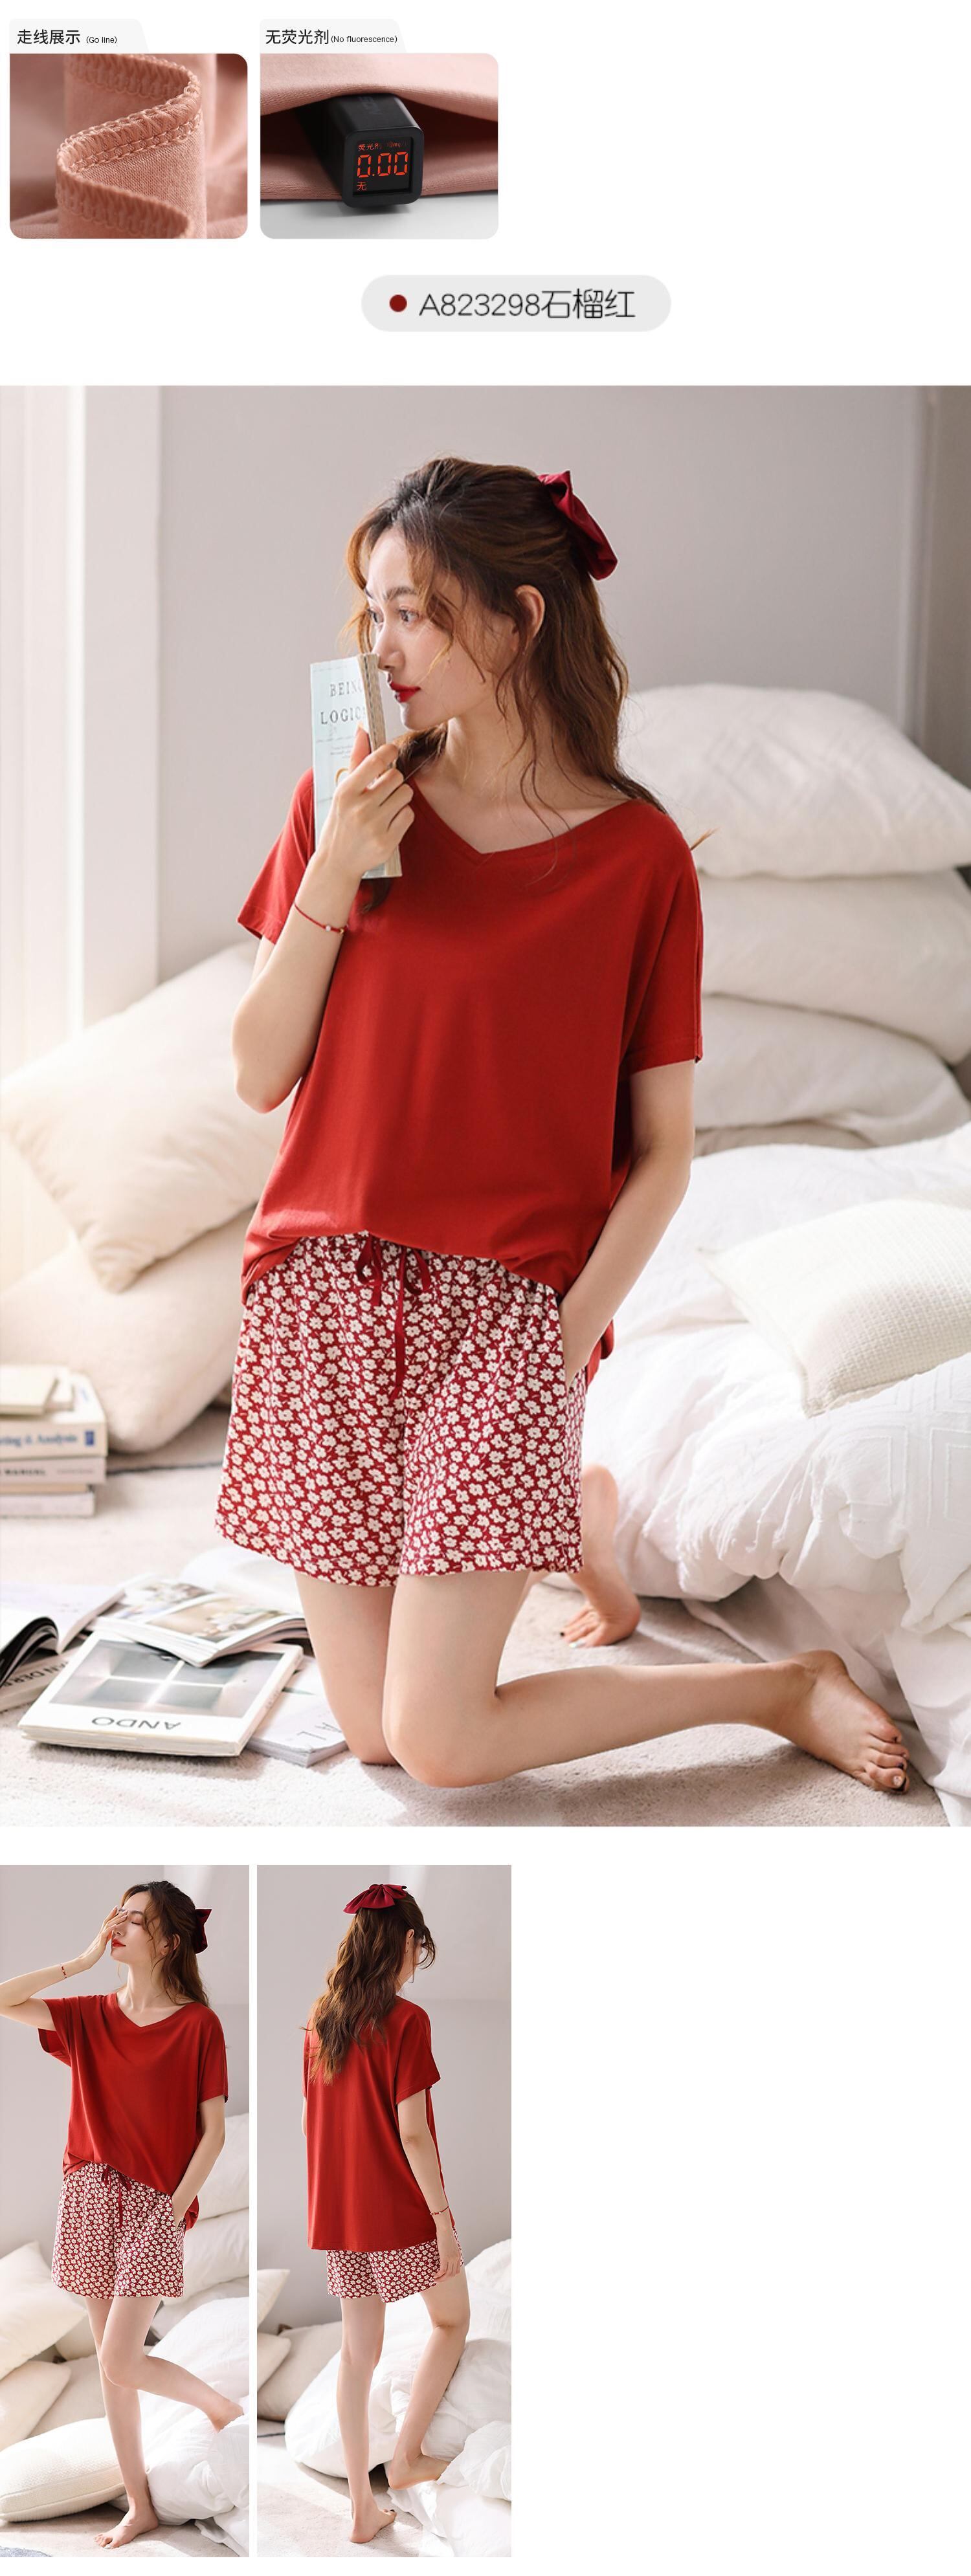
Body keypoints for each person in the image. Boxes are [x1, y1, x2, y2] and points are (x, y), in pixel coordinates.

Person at [216, 454, 909, 1801]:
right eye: (373, 614)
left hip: (508, 1312)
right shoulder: (344, 806)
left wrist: (561, 1332)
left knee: (441, 1739)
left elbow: (665, 1151)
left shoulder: (637, 861)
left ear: (520, 617)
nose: (383, 647)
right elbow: (255, 1074)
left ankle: (777, 1686)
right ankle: (568, 1513)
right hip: (322, 1293)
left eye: (415, 613)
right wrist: (333, 873)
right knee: (373, 1733)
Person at [0, 1882, 241, 2551]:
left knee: (120, 2359)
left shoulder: (199, 2025)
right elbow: (3, 1999)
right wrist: (79, 1962)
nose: (119, 1926)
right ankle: (140, 2504)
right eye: (119, 1915)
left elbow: (214, 2134)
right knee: (114, 2368)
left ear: (168, 1942)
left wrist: (171, 2209)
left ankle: (222, 2408)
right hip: (87, 2194)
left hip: (155, 2204)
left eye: (137, 1920)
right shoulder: (89, 2016)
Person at [303, 1882, 468, 2545]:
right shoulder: (407, 2021)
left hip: (341, 2216)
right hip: (398, 2209)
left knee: (357, 2353)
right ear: (405, 1942)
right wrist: (443, 2218)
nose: (415, 1962)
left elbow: (316, 2125)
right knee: (452, 2320)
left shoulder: (321, 2021)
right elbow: (414, 2133)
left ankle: (360, 2509)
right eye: (417, 1948)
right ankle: (405, 2457)